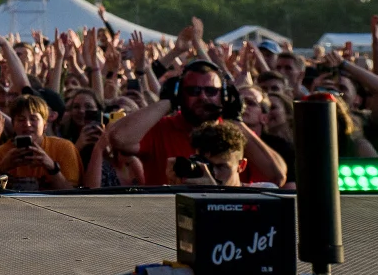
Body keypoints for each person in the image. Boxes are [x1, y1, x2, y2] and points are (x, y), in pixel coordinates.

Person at [108, 59, 287, 187]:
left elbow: (276, 176)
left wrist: (235, 119)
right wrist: (167, 101)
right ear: (180, 94)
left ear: (224, 95)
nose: (202, 97)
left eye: (211, 91)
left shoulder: (234, 134)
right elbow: (119, 138)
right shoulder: (162, 127)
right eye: (193, 90)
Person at [0, 94, 80, 191]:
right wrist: (2, 169)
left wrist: (52, 167)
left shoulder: (64, 148)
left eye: (33, 119)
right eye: (21, 119)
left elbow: (72, 194)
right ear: (13, 124)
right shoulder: (1, 153)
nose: (27, 124)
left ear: (45, 125)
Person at [166, 122, 251, 188]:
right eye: (206, 164)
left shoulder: (260, 194)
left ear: (241, 165)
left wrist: (213, 194)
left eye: (220, 167)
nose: (211, 173)